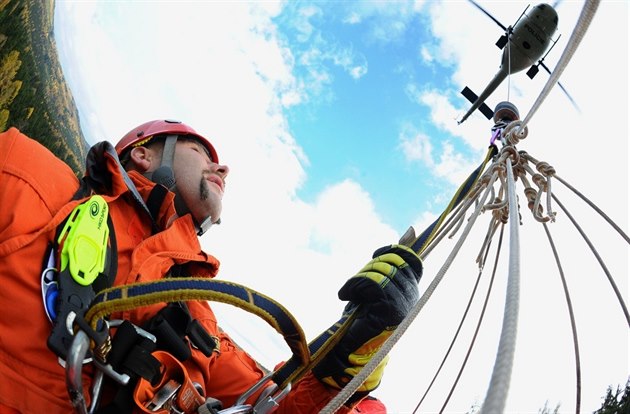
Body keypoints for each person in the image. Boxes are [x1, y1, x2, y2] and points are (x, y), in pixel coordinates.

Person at [0, 120, 422, 413]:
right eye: (200, 151)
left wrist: (345, 363)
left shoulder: (202, 326)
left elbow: (275, 406)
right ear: (144, 154)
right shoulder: (26, 177)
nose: (222, 168)